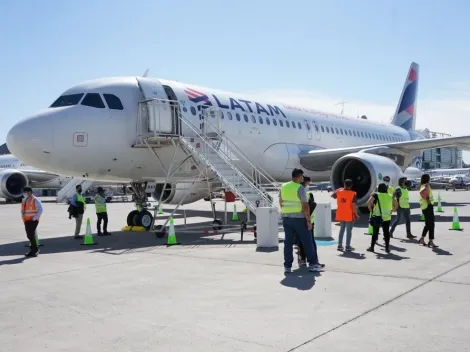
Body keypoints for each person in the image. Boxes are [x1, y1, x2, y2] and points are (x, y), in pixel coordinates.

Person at [279, 168, 321, 273]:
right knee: (307, 241)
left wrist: (286, 212)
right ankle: (313, 264)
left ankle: (287, 266)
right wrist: (308, 221)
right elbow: (305, 205)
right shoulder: (300, 188)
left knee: (288, 243)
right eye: (302, 177)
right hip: (299, 219)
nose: (302, 179)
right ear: (299, 177)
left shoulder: (283, 186)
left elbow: (280, 201)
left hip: (286, 218)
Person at [296, 177, 325, 268]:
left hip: (298, 220)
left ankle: (302, 260)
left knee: (300, 241)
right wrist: (309, 221)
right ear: (306, 183)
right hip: (308, 221)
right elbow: (308, 208)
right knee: (311, 242)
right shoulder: (308, 195)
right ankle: (314, 261)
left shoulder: (295, 194)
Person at [366, 183, 398, 253]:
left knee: (375, 233)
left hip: (377, 216)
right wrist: (392, 210)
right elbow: (396, 204)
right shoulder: (390, 196)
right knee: (386, 233)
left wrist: (371, 211)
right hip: (387, 217)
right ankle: (387, 248)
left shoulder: (376, 195)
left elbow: (368, 203)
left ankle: (372, 247)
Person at [332, 179, 359, 251]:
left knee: (342, 230)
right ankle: (347, 246)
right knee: (349, 231)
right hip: (349, 214)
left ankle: (340, 245)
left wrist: (339, 189)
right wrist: (356, 214)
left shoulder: (339, 191)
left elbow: (332, 196)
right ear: (351, 186)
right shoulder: (353, 194)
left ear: (344, 184)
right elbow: (353, 205)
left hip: (341, 213)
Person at [21, 187, 43, 257]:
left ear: (30, 192)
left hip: (33, 221)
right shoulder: (25, 200)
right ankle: (33, 250)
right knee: (29, 235)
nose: (25, 193)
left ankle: (35, 250)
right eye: (24, 192)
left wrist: (34, 218)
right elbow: (23, 210)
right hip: (26, 221)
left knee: (31, 235)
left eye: (26, 192)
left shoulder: (35, 199)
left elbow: (40, 209)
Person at [418, 173, 438, 248]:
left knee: (428, 224)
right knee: (431, 224)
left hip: (424, 207)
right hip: (428, 206)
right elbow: (422, 193)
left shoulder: (422, 185)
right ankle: (431, 241)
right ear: (428, 179)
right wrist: (427, 200)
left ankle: (422, 239)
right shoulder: (426, 185)